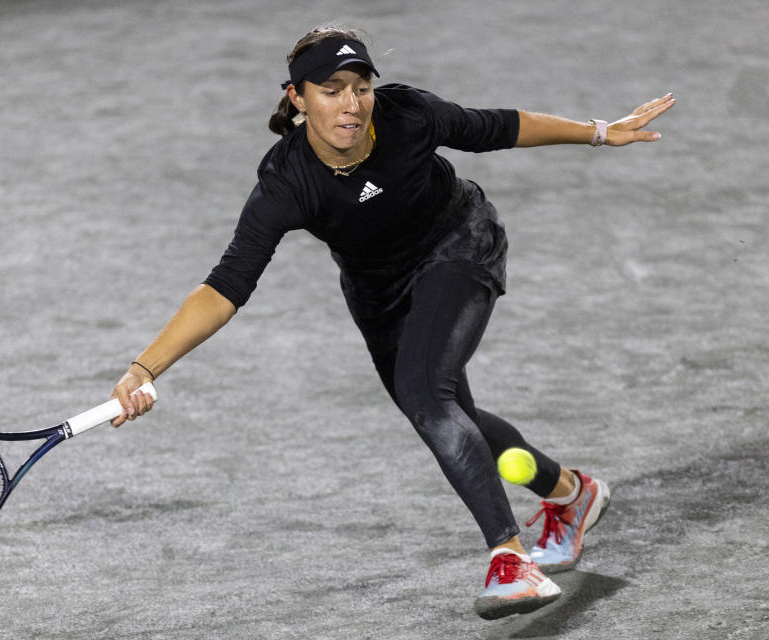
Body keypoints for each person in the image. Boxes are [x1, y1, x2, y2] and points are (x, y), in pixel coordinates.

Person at [109, 26, 675, 620]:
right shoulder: (286, 182)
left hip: (460, 244)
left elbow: (501, 127)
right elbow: (227, 285)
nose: (351, 103)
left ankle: (511, 560)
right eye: (331, 90)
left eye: (360, 87)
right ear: (298, 98)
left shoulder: (408, 116)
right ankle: (570, 493)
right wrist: (146, 366)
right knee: (445, 408)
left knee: (426, 395)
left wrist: (600, 132)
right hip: (377, 289)